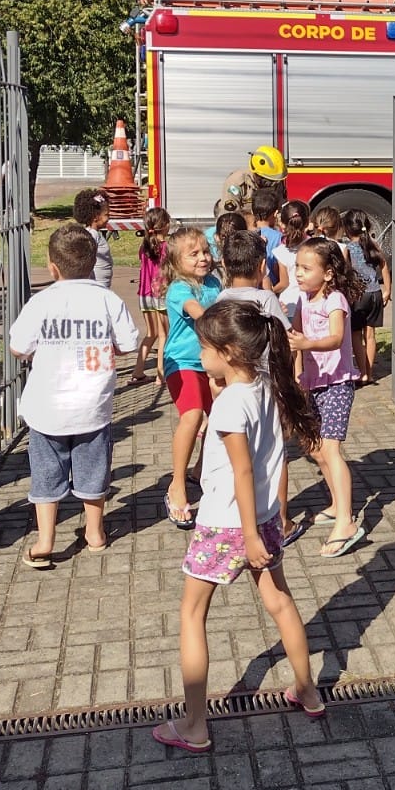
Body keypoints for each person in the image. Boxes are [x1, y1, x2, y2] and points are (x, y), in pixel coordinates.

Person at [152, 300, 324, 754]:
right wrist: (266, 523)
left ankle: (193, 725)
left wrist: (247, 535)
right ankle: (307, 690)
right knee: (279, 601)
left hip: (228, 524)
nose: (199, 353)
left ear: (228, 351)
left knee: (192, 615)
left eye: (204, 346)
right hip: (264, 516)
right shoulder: (265, 386)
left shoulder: (229, 406)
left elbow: (242, 472)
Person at [8, 223, 139, 566]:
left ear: (52, 266)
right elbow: (128, 343)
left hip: (47, 409)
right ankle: (95, 533)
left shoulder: (41, 301)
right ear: (94, 260)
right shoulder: (107, 299)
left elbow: (17, 346)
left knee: (46, 474)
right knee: (94, 469)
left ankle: (46, 540)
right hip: (92, 407)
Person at [216, 231, 304, 544]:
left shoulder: (220, 301)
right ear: (262, 268)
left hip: (233, 389)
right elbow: (285, 339)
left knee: (242, 458)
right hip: (267, 386)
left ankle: (243, 512)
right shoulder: (266, 299)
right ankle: (280, 519)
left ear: (224, 264)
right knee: (275, 453)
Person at [290, 239, 365, 559]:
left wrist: (307, 344)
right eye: (297, 267)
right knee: (314, 449)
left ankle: (347, 522)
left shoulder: (335, 300)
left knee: (330, 450)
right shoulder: (303, 298)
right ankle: (336, 505)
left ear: (329, 273)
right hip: (312, 384)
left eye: (306, 269)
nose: (298, 274)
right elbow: (294, 338)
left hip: (336, 384)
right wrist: (296, 374)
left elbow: (335, 338)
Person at [162, 227, 222, 530]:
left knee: (222, 415)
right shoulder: (179, 289)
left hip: (212, 362)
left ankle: (200, 469)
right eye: (194, 253)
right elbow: (196, 311)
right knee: (193, 414)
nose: (203, 258)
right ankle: (176, 486)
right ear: (176, 261)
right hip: (183, 362)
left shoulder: (214, 282)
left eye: (206, 252)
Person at [341, 209, 390, 386]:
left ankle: (361, 372)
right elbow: (384, 266)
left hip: (358, 296)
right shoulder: (373, 245)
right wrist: (387, 290)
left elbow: (345, 273)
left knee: (356, 335)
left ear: (347, 229)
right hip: (376, 293)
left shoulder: (348, 249)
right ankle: (370, 373)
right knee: (371, 335)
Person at [132, 206, 171, 385]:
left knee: (151, 333)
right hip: (161, 293)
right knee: (164, 335)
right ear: (165, 226)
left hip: (144, 294)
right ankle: (161, 375)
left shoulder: (144, 247)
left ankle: (138, 371)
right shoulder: (167, 248)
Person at [214, 145, 288, 223]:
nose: (271, 184)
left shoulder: (276, 182)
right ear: (256, 173)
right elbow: (229, 218)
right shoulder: (236, 183)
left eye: (274, 180)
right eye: (267, 180)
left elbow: (281, 211)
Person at [273, 198, 311, 316]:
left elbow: (284, 283)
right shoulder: (315, 245)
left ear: (283, 224)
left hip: (288, 304)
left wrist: (270, 291)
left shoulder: (280, 251)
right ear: (307, 222)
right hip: (311, 304)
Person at [72, 188, 113, 288]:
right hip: (97, 285)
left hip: (102, 285)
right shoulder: (92, 235)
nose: (109, 218)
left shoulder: (94, 234)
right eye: (106, 214)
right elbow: (86, 260)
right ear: (95, 217)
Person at [251, 187, 284, 285]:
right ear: (276, 213)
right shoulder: (279, 238)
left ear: (252, 212)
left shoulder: (246, 235)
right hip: (273, 288)